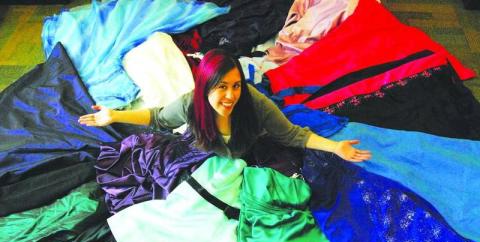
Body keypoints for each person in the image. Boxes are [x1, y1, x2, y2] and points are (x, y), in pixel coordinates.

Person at [78, 48, 371, 162]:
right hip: (207, 161)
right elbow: (158, 117)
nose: (230, 95)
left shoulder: (255, 104)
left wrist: (337, 147)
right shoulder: (190, 105)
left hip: (247, 160)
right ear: (205, 87)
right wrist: (114, 115)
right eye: (221, 87)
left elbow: (292, 134)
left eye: (236, 86)